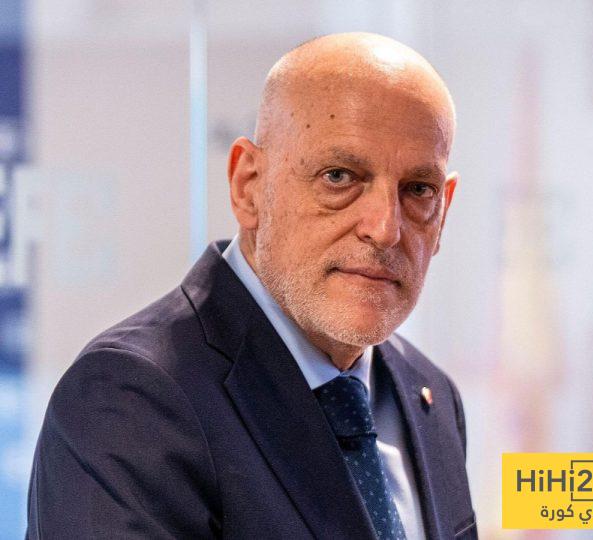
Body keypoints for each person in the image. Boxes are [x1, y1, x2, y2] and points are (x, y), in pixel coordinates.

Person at [27, 32, 476, 539]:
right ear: (249, 187)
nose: (384, 228)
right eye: (339, 176)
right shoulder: (130, 398)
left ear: (444, 211)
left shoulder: (431, 395)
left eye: (418, 189)